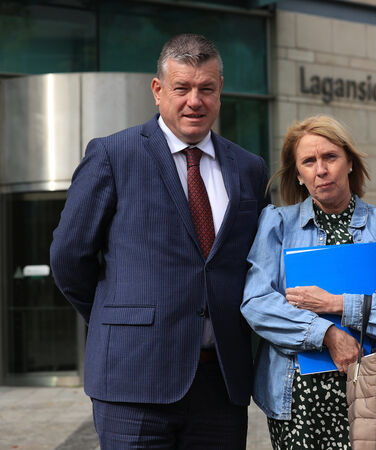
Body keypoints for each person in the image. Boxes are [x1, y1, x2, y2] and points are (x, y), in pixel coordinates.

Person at [50, 34, 268, 448]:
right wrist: (118, 318)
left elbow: (257, 262)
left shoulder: (249, 168)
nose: (194, 101)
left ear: (220, 89)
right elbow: (68, 257)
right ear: (158, 90)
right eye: (181, 88)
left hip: (220, 384)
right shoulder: (113, 155)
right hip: (134, 379)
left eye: (206, 89)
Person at [241, 115, 376, 450]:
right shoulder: (277, 225)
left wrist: (335, 303)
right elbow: (257, 303)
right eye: (308, 161)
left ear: (350, 163)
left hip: (374, 401)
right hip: (298, 405)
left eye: (330, 157)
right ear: (298, 174)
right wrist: (327, 334)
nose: (321, 170)